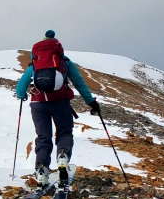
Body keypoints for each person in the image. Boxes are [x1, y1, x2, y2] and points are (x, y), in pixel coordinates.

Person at [15, 30, 101, 186]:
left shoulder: (35, 63)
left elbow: (20, 87)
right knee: (64, 132)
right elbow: (79, 83)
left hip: (38, 105)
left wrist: (22, 95)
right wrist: (91, 102)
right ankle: (62, 156)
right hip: (60, 102)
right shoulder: (64, 62)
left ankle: (41, 170)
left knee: (43, 137)